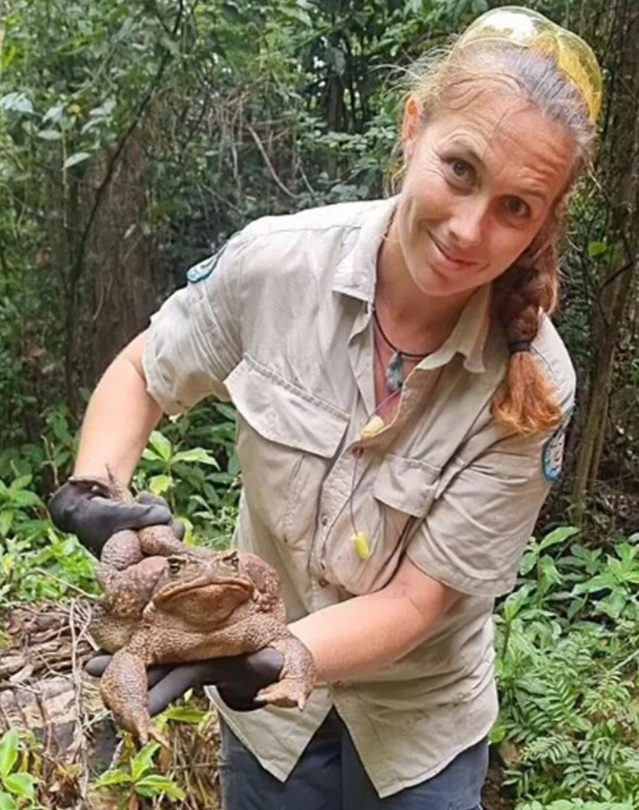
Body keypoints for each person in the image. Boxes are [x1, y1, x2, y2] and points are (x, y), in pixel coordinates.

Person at [48, 7, 603, 809]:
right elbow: (144, 372)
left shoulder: (532, 382)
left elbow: (418, 601)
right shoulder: (278, 265)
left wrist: (263, 652)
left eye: (517, 207)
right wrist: (102, 497)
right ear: (414, 129)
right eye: (459, 169)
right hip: (269, 732)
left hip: (418, 730)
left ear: (542, 220)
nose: (469, 228)